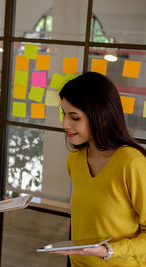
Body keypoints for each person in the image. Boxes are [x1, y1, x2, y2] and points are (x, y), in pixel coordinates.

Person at [54, 72, 146, 266]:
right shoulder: (75, 160)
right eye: (64, 114)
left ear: (102, 118)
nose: (65, 124)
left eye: (75, 117)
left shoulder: (132, 163)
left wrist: (109, 251)